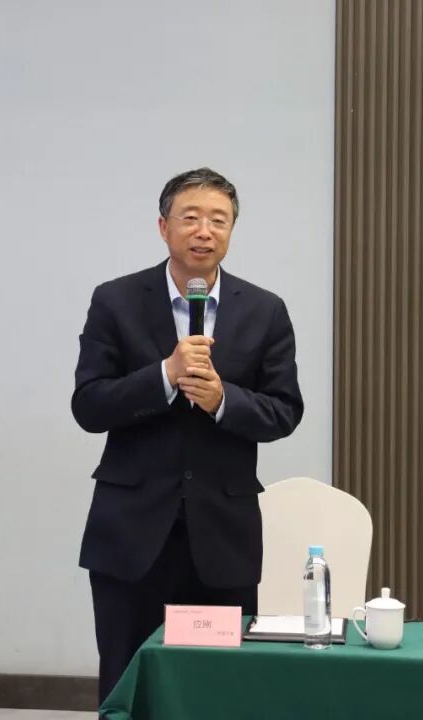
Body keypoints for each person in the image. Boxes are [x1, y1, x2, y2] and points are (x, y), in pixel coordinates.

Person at [72, 167, 304, 704]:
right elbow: (89, 405)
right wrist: (163, 376)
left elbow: (285, 410)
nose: (205, 231)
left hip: (222, 536)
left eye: (219, 220)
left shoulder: (265, 310)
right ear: (163, 227)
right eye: (191, 217)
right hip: (131, 533)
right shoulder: (116, 300)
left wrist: (224, 400)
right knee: (130, 682)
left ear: (231, 231)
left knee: (218, 688)